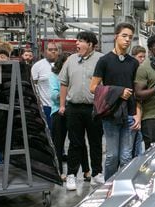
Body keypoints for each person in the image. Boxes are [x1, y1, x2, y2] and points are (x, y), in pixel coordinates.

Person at [90, 23, 140, 181]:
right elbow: (93, 87)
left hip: (130, 114)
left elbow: (137, 92)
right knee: (112, 156)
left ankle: (123, 189)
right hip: (110, 113)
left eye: (130, 38)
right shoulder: (104, 61)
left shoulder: (133, 63)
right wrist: (118, 92)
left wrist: (138, 115)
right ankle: (109, 187)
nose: (127, 40)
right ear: (116, 37)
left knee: (126, 156)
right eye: (124, 36)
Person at [58, 31, 105, 189]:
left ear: (91, 44)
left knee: (95, 142)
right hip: (74, 108)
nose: (77, 44)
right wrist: (62, 105)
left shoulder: (101, 59)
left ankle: (97, 173)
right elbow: (64, 83)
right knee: (75, 143)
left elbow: (106, 85)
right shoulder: (71, 60)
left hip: (94, 109)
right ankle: (71, 175)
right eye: (77, 41)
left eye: (81, 41)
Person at [49, 52, 89, 183]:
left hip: (74, 110)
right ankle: (59, 172)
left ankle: (86, 170)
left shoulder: (75, 74)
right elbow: (54, 94)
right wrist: (68, 96)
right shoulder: (54, 75)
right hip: (58, 112)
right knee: (58, 143)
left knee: (79, 141)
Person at [31, 42, 59, 131]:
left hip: (61, 106)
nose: (53, 52)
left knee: (59, 134)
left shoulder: (64, 64)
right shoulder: (38, 66)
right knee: (48, 132)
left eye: (55, 50)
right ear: (44, 52)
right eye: (50, 50)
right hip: (46, 106)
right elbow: (33, 85)